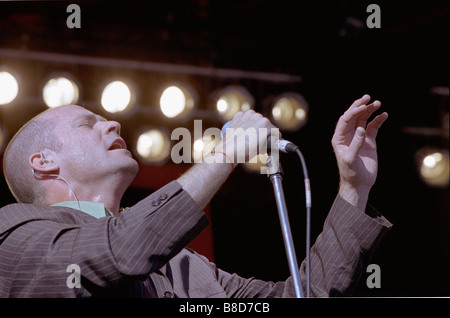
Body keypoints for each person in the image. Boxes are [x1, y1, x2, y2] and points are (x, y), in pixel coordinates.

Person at [0, 94, 391, 297]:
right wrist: (225, 154)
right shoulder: (14, 232)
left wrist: (353, 187)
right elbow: (120, 249)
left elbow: (304, 296)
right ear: (43, 161)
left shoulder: (184, 267)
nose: (113, 123)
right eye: (89, 124)